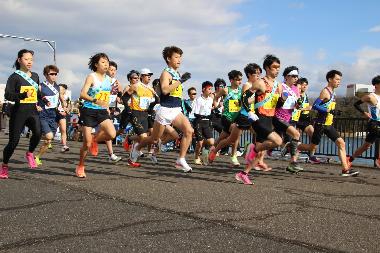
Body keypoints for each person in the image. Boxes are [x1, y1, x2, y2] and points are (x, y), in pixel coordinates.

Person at [130, 46, 194, 172]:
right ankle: (137, 147)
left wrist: (180, 80)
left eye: (180, 57)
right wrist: (180, 81)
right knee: (154, 139)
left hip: (176, 109)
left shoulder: (177, 73)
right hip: (164, 110)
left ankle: (180, 159)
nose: (179, 60)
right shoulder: (166, 73)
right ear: (168, 59)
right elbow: (165, 90)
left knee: (189, 131)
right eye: (176, 57)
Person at [297, 70, 359, 176]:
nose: (339, 82)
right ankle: (292, 146)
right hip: (320, 125)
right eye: (337, 79)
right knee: (312, 147)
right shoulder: (325, 91)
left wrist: (334, 112)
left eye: (340, 80)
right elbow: (315, 106)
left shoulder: (333, 92)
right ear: (330, 79)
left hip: (328, 125)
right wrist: (329, 111)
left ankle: (345, 169)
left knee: (341, 143)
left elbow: (327, 107)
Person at [235, 55, 284, 185]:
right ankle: (253, 149)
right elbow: (244, 98)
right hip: (259, 119)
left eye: (278, 67)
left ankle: (243, 173)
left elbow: (277, 106)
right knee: (278, 141)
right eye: (274, 67)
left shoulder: (279, 86)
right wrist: (250, 112)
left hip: (269, 119)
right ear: (267, 68)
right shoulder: (260, 83)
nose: (277, 70)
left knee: (260, 154)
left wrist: (282, 100)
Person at [1, 49, 42, 179]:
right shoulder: (14, 77)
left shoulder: (35, 76)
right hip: (19, 112)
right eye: (26, 59)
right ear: (19, 60)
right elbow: (8, 95)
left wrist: (42, 100)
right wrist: (23, 95)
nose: (29, 62)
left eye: (31, 59)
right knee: (13, 142)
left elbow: (37, 94)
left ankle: (30, 153)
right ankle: (5, 165)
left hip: (33, 111)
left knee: (37, 132)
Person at [75, 53, 116, 178]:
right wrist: (95, 100)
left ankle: (95, 139)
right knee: (86, 144)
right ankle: (81, 165)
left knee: (112, 134)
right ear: (96, 64)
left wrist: (107, 107)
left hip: (102, 111)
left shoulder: (109, 80)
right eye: (103, 62)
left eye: (107, 62)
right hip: (89, 110)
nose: (106, 64)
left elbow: (106, 97)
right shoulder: (91, 77)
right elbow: (82, 94)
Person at [208, 70, 243, 166]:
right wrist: (216, 105)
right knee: (236, 133)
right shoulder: (226, 90)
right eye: (237, 79)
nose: (240, 81)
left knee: (221, 138)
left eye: (241, 79)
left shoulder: (241, 91)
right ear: (231, 80)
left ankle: (213, 151)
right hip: (226, 117)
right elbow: (216, 98)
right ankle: (234, 155)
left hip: (236, 117)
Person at [34, 65, 64, 165]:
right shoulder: (40, 86)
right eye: (52, 74)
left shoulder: (57, 87)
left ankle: (37, 156)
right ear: (46, 75)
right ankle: (36, 136)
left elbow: (58, 101)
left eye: (55, 74)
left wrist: (62, 108)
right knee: (49, 135)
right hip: (43, 115)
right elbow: (34, 98)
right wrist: (36, 106)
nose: (54, 76)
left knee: (48, 140)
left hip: (53, 115)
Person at [348, 75, 380, 168]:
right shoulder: (370, 96)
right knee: (367, 146)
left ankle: (350, 159)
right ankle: (378, 159)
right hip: (375, 123)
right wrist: (364, 112)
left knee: (366, 146)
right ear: (376, 85)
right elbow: (356, 104)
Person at [192, 81, 215, 165]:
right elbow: (195, 113)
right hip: (198, 122)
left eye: (211, 89)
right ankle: (196, 157)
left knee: (211, 141)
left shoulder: (210, 99)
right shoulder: (198, 99)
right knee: (200, 143)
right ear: (203, 89)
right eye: (209, 89)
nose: (210, 91)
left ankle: (205, 150)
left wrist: (211, 114)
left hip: (207, 122)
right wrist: (202, 116)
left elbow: (210, 110)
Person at [104, 60, 122, 162]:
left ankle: (111, 154)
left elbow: (119, 92)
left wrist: (119, 98)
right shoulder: (103, 80)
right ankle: (92, 141)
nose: (113, 72)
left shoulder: (116, 81)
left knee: (108, 131)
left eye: (114, 70)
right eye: (111, 69)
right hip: (101, 107)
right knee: (106, 131)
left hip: (111, 108)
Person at [56, 84, 70, 152]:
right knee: (52, 130)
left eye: (61, 89)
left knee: (63, 130)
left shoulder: (67, 98)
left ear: (64, 90)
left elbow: (68, 107)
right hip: (55, 113)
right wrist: (59, 111)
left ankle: (64, 145)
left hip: (62, 114)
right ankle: (48, 142)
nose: (59, 90)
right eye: (59, 89)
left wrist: (66, 111)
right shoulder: (56, 96)